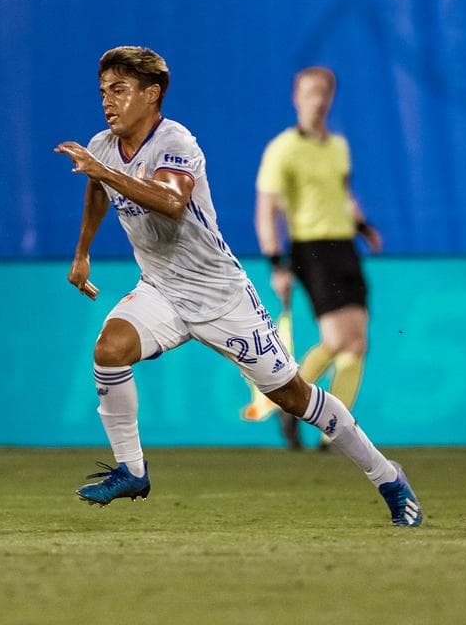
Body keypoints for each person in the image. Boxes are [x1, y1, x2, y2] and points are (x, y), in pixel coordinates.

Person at [54, 46, 423, 526]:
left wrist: (106, 172)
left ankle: (388, 478)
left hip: (221, 296)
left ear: (152, 94)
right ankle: (132, 470)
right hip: (162, 290)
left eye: (120, 90)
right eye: (104, 91)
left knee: (294, 397)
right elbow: (97, 190)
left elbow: (170, 201)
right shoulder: (103, 146)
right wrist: (83, 251)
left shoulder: (176, 142)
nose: (107, 101)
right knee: (108, 350)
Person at [255, 66, 382, 450]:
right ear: (297, 97)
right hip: (310, 249)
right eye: (310, 92)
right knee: (337, 337)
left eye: (324, 92)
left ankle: (335, 431)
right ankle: (286, 403)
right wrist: (276, 264)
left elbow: (343, 193)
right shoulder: (282, 149)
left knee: (357, 342)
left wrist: (363, 226)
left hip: (344, 246)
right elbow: (266, 211)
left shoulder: (338, 146)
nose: (318, 99)